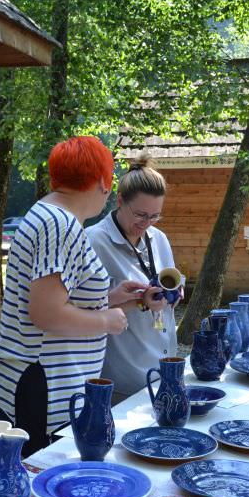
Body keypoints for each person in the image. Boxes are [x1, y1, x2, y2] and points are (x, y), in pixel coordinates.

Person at [0, 136, 146, 457]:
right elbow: (46, 313)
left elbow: (57, 297)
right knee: (40, 480)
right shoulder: (59, 226)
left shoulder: (46, 215)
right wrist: (106, 320)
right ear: (103, 182)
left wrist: (111, 297)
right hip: (41, 387)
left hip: (35, 381)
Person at [87, 154, 181, 404]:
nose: (146, 224)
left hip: (163, 367)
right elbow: (79, 309)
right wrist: (139, 301)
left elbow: (166, 284)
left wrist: (172, 295)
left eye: (155, 216)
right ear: (119, 201)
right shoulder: (93, 241)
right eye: (141, 215)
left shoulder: (158, 238)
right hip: (121, 379)